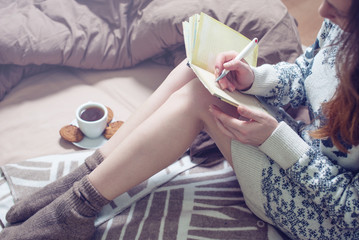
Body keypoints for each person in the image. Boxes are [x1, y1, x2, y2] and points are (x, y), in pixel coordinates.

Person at [1, 0, 358, 239]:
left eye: (338, 9)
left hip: (317, 215)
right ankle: (85, 177)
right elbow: (305, 70)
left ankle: (76, 208)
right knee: (199, 67)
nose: (322, 10)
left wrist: (276, 139)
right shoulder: (341, 29)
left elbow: (350, 217)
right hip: (296, 148)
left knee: (199, 97)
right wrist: (252, 78)